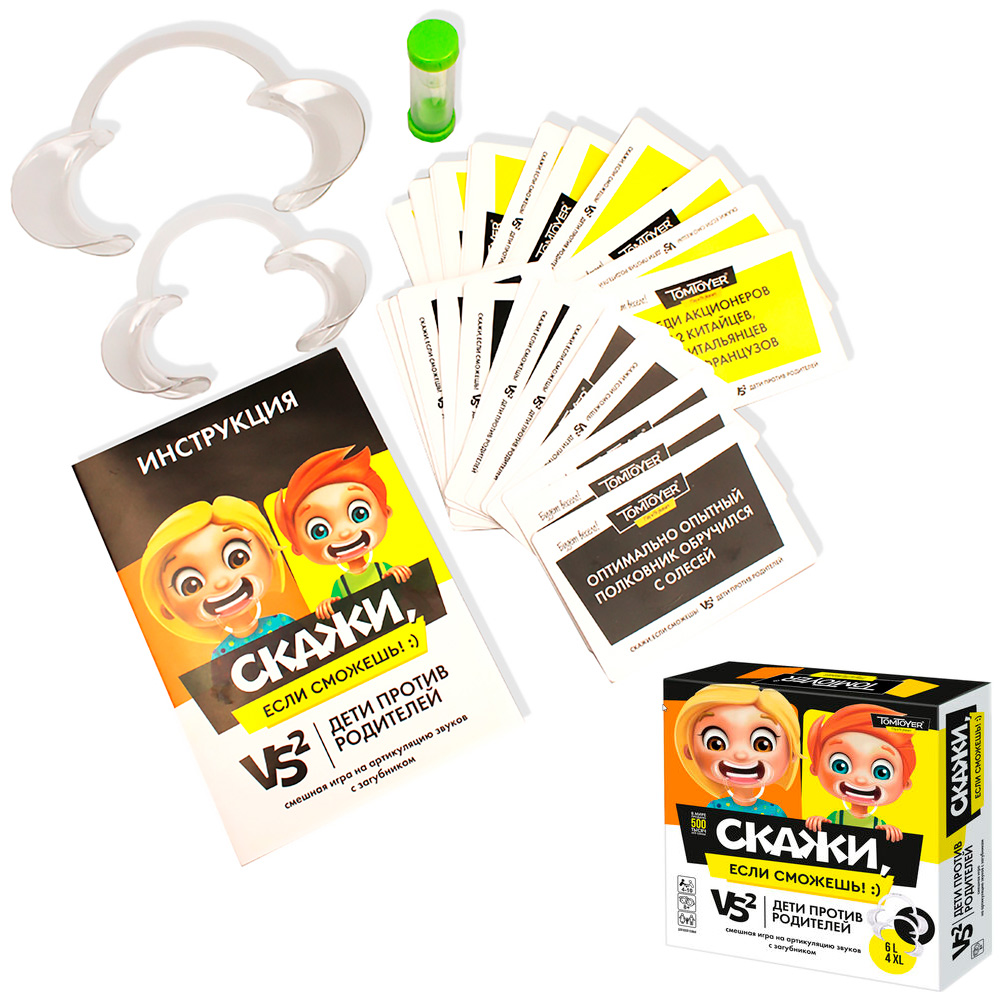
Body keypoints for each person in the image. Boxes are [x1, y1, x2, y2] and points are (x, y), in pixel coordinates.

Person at [139, 496, 293, 660]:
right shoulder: (223, 654)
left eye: (237, 558)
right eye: (191, 585)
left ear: (270, 550)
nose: (221, 582)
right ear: (167, 610)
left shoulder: (282, 622)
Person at [274, 447, 411, 619]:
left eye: (359, 513)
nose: (345, 533)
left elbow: (408, 590)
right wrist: (327, 605)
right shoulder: (341, 585)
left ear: (386, 510)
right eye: (319, 530)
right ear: (297, 547)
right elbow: (339, 610)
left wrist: (399, 574)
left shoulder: (382, 568)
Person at [674, 683, 800, 816]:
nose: (741, 755)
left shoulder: (775, 811)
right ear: (690, 752)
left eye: (762, 744)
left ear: (792, 753)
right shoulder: (715, 808)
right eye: (716, 743)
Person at [804, 704, 915, 842]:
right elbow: (824, 834)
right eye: (840, 765)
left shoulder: (878, 824)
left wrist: (891, 832)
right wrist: (818, 822)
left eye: (881, 772)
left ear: (905, 783)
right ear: (815, 767)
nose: (860, 779)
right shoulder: (837, 817)